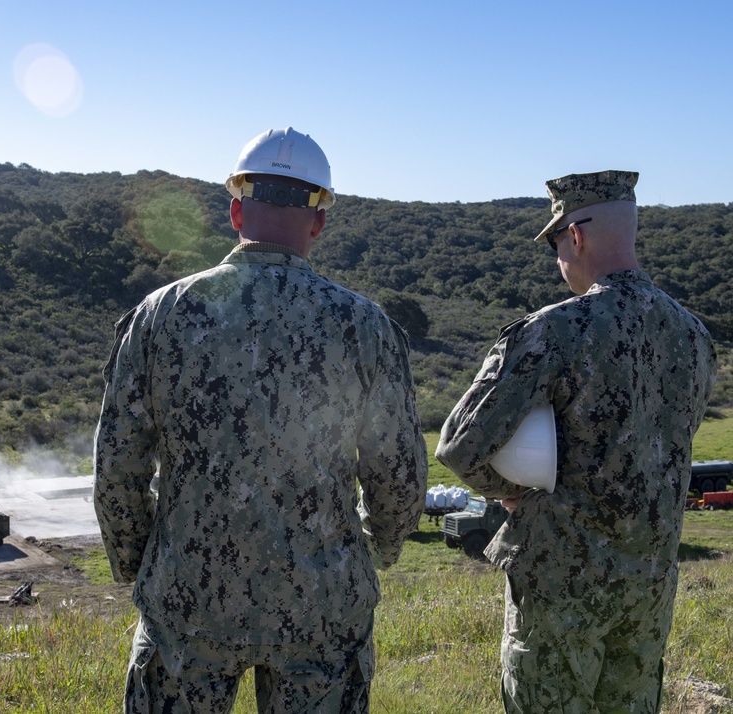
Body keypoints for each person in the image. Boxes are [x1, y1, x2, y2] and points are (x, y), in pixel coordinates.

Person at [95, 127, 428, 714]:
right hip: (322, 606)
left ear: (234, 210)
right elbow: (398, 476)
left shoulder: (162, 314)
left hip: (188, 604)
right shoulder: (365, 326)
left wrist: (140, 561)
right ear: (320, 220)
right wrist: (378, 545)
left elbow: (118, 466)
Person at [435, 170, 717, 713]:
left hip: (560, 586)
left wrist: (512, 491)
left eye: (557, 244)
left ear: (575, 236)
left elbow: (460, 445)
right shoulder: (693, 336)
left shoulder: (557, 329)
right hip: (650, 585)